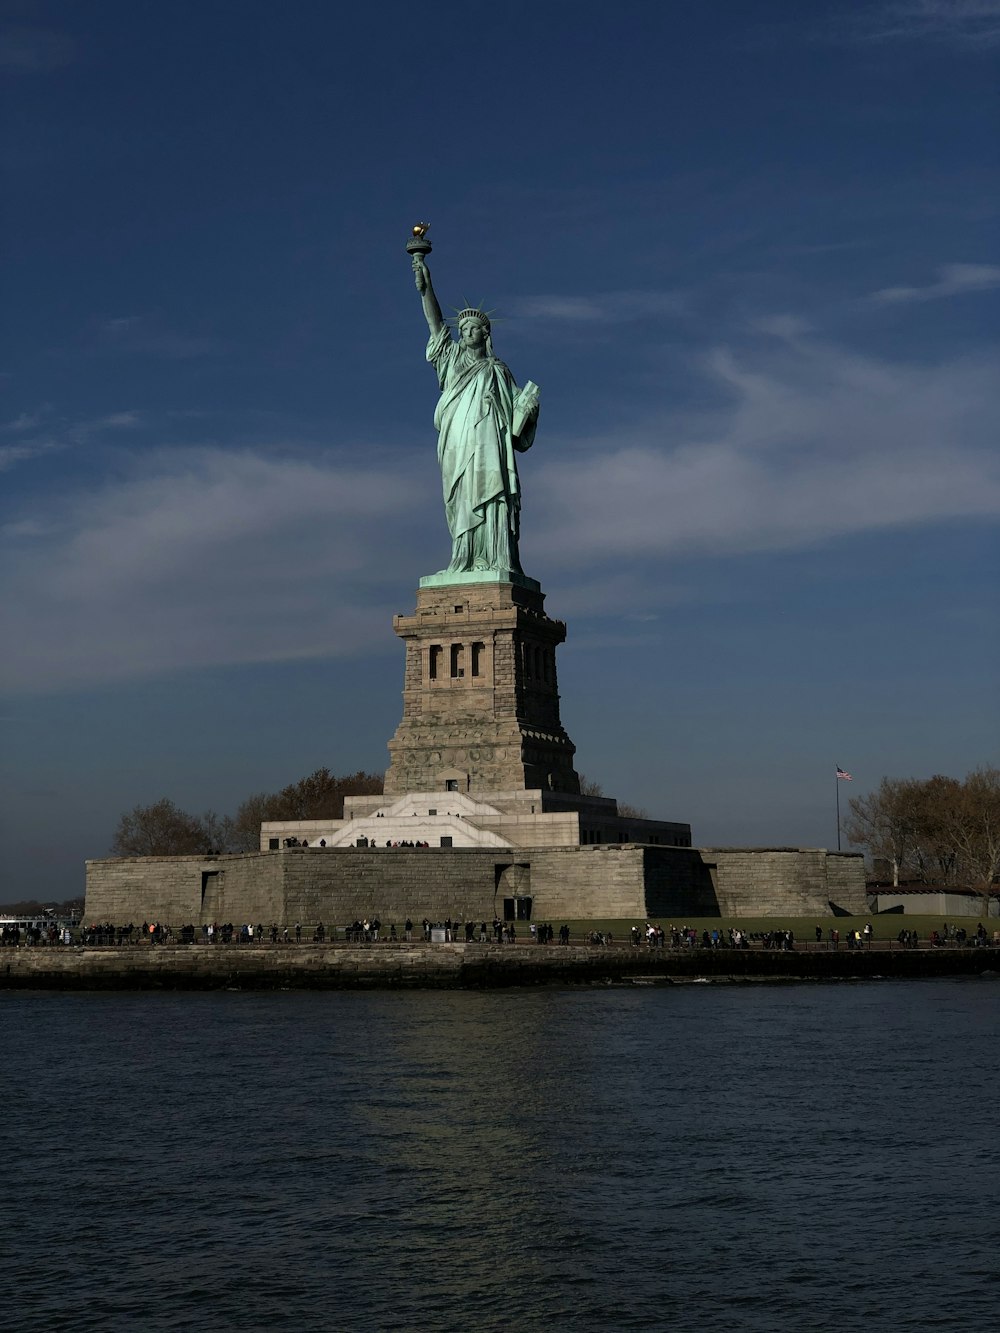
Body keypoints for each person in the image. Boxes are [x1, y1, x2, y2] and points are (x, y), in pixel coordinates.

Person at [412, 252, 540, 576]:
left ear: (486, 334)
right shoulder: (451, 359)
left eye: (473, 328)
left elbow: (517, 419)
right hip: (457, 440)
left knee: (491, 492)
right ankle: (464, 558)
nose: (467, 332)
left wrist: (529, 407)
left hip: (489, 446)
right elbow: (434, 323)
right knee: (461, 496)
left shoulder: (498, 370)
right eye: (464, 328)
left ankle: (495, 559)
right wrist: (426, 288)